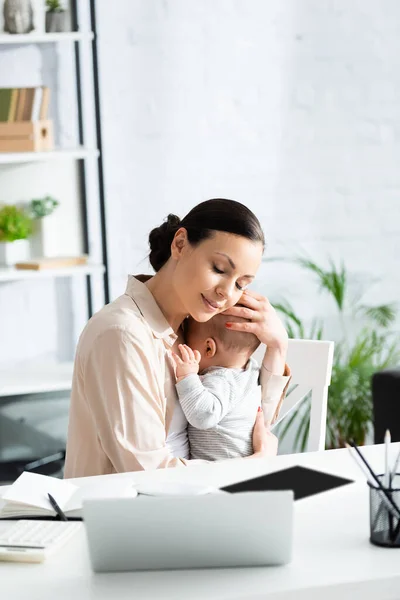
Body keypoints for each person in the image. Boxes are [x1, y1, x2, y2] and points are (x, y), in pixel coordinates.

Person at [64, 198, 291, 478]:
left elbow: (249, 427)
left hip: (190, 501)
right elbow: (147, 472)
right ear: (180, 244)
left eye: (241, 284)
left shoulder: (195, 331)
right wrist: (257, 464)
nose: (226, 293)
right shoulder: (122, 335)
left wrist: (278, 347)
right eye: (219, 269)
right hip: (125, 511)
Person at [173, 313, 271, 461]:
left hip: (221, 472)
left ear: (208, 348)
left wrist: (187, 377)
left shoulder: (221, 380)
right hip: (242, 464)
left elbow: (204, 416)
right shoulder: (250, 372)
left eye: (187, 341)